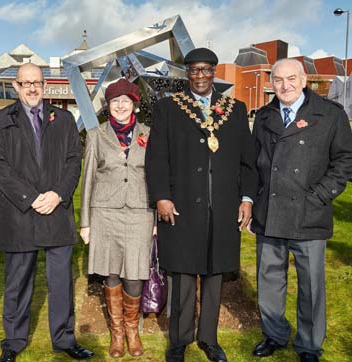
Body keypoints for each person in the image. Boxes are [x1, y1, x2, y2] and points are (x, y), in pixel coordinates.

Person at [145, 48, 257, 362]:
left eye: (206, 70)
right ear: (187, 73)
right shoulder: (169, 108)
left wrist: (247, 199)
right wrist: (162, 196)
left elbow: (248, 162)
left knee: (214, 274)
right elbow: (156, 158)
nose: (200, 76)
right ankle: (178, 340)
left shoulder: (235, 109)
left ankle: (208, 338)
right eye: (194, 70)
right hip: (180, 207)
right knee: (181, 275)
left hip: (222, 208)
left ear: (214, 72)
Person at [0, 63, 94, 361]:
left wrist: (58, 194)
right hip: (19, 214)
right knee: (18, 284)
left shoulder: (63, 119)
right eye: (26, 83)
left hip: (56, 213)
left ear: (44, 85)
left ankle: (64, 339)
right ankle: (14, 341)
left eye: (37, 83)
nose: (32, 88)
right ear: (16, 86)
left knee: (60, 282)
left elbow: (74, 160)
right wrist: (31, 197)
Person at [250, 58, 352, 362]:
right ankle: (274, 334)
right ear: (271, 83)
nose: (285, 86)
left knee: (310, 287)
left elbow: (345, 161)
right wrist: (252, 197)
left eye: (291, 79)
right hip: (268, 213)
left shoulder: (330, 114)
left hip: (309, 214)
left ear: (304, 79)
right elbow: (255, 162)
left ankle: (308, 345)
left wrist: (319, 195)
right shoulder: (265, 115)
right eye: (278, 80)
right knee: (269, 281)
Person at [80, 78, 154, 358]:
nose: (120, 105)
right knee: (111, 274)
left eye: (126, 101)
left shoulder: (149, 133)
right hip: (105, 214)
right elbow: (87, 180)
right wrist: (85, 222)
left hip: (140, 212)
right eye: (114, 101)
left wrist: (157, 220)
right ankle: (117, 334)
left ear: (134, 105)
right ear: (107, 106)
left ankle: (132, 330)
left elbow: (157, 176)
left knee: (135, 274)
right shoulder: (96, 135)